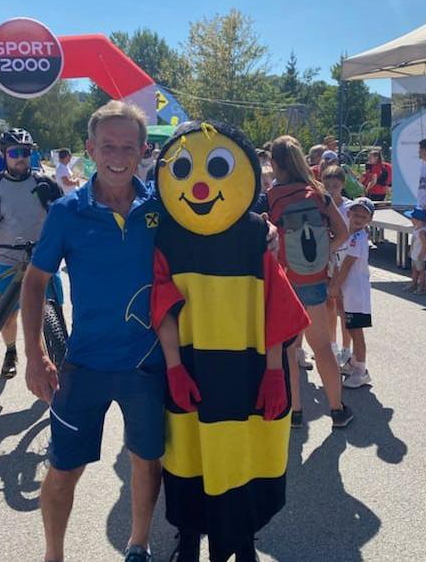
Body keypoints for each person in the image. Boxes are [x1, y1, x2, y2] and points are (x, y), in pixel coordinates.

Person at [152, 121, 310, 562]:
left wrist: (275, 372)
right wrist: (174, 367)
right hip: (191, 365)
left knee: (243, 452)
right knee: (188, 453)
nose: (201, 186)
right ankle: (188, 535)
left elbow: (275, 305)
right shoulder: (167, 234)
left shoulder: (255, 233)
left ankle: (242, 540)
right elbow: (163, 306)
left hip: (248, 367)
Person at [21, 101, 165, 562]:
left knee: (147, 460)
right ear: (90, 149)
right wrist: (34, 355)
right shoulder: (67, 212)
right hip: (84, 364)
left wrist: (261, 230)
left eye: (128, 147)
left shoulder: (161, 207)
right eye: (108, 146)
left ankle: (138, 544)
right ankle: (53, 555)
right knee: (64, 469)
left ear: (143, 150)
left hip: (147, 363)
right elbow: (35, 282)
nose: (117, 156)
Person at [0, 128, 63, 380]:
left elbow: (64, 216)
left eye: (25, 152)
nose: (21, 158)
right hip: (7, 258)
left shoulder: (45, 183)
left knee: (53, 312)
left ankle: (55, 357)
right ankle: (10, 351)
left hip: (43, 259)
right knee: (9, 316)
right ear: (5, 154)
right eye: (15, 153)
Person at [267, 135, 352, 428]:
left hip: (284, 281)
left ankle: (295, 412)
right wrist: (323, 253)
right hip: (314, 280)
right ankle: (337, 410)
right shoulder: (318, 193)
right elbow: (343, 233)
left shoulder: (271, 197)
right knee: (322, 347)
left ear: (274, 163)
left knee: (289, 350)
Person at [328, 197, 375, 388]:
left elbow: (347, 265)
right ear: (348, 214)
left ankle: (361, 370)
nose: (358, 219)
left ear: (369, 220)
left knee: (356, 331)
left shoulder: (358, 238)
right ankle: (354, 362)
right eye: (355, 214)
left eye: (363, 216)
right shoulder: (347, 236)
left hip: (356, 292)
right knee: (350, 326)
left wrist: (334, 286)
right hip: (348, 291)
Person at [322, 165, 352, 365]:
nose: (331, 190)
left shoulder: (349, 208)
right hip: (328, 261)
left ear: (342, 185)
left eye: (335, 186)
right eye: (327, 186)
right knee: (328, 303)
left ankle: (346, 347)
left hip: (345, 259)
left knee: (344, 306)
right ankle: (331, 344)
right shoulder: (321, 205)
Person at [403, 208, 426, 293]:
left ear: (418, 220)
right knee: (414, 269)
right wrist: (411, 250)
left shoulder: (422, 232)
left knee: (421, 271)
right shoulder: (416, 229)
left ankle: (421, 287)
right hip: (414, 253)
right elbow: (413, 241)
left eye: (413, 218)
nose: (411, 220)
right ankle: (413, 284)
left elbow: (425, 244)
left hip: (419, 255)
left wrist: (422, 254)